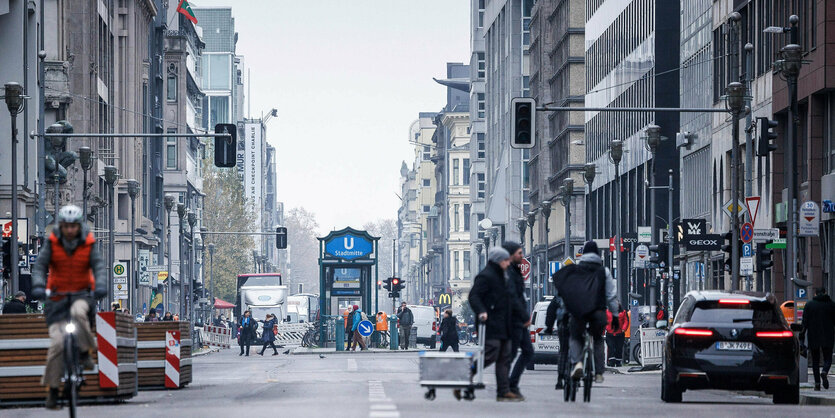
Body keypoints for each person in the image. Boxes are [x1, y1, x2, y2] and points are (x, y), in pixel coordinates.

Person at [30, 205, 108, 410]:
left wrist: (100, 286)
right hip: (56, 299)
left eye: (74, 226)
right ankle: (53, 391)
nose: (71, 230)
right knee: (56, 344)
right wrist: (38, 286)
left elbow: (98, 267)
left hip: (82, 294)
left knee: (78, 312)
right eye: (67, 226)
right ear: (61, 226)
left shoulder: (88, 244)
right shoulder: (52, 244)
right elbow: (39, 266)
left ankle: (84, 351)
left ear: (79, 226)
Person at [552, 240, 617, 384]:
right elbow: (611, 296)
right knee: (598, 338)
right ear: (598, 254)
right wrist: (616, 315)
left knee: (575, 336)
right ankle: (599, 372)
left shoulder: (575, 270)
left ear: (583, 254)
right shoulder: (603, 271)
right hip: (598, 312)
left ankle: (578, 364)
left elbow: (567, 291)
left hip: (578, 312)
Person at [467, 246, 521, 402]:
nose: (508, 263)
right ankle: (467, 373)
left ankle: (503, 391)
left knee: (505, 356)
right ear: (498, 261)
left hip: (504, 323)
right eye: (505, 260)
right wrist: (482, 311)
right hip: (489, 322)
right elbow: (474, 296)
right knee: (491, 354)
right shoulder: (485, 276)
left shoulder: (504, 276)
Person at [502, 241, 533, 399]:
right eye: (519, 253)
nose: (522, 256)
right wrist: (524, 316)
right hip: (513, 319)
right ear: (511, 255)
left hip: (519, 320)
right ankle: (507, 386)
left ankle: (511, 384)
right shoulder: (508, 273)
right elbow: (513, 297)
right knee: (512, 353)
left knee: (527, 351)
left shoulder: (514, 270)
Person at [801, 287, 835, 391]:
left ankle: (817, 384)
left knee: (815, 361)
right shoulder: (831, 304)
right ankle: (824, 371)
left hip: (813, 336)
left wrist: (802, 336)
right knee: (828, 358)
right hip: (828, 335)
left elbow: (804, 323)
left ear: (815, 294)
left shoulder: (809, 305)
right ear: (825, 293)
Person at [544, 289, 570, 389]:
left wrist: (549, 327)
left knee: (563, 351)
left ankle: (560, 379)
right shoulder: (583, 289)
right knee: (578, 346)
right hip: (578, 324)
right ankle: (578, 369)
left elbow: (551, 310)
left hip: (563, 324)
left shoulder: (561, 293)